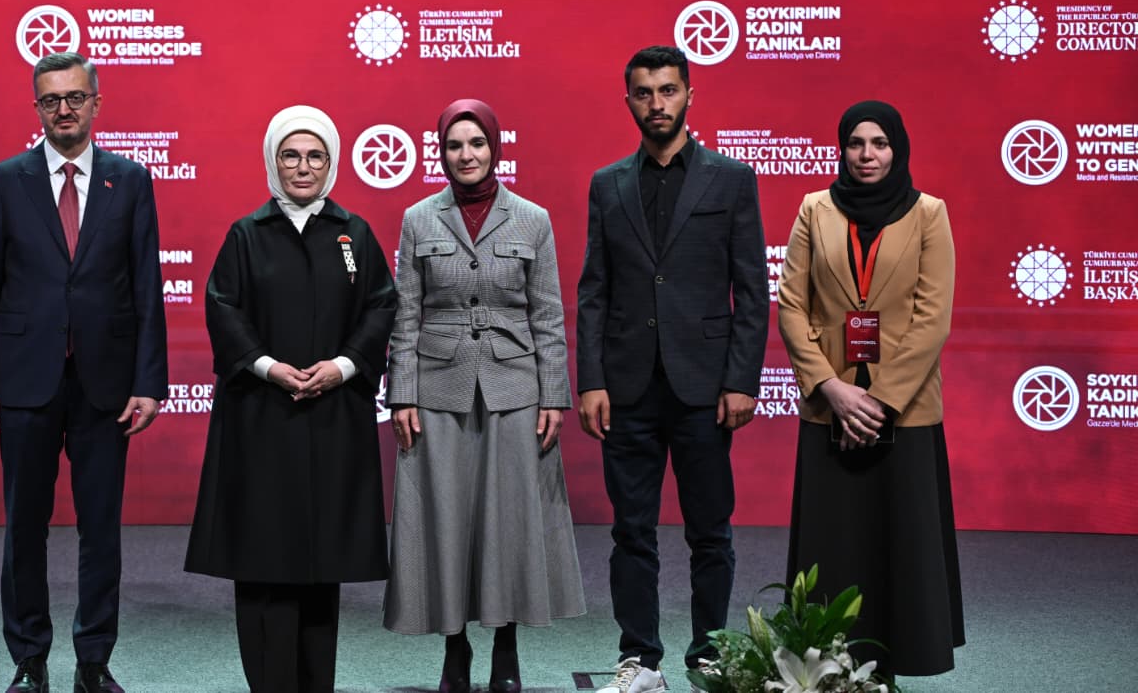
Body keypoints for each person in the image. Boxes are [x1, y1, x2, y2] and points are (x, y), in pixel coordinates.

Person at [0, 52, 168, 693]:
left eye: (75, 97)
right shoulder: (5, 181)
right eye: (51, 99)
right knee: (23, 527)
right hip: (25, 380)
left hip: (105, 385)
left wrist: (149, 382)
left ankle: (93, 660)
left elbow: (147, 286)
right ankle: (29, 659)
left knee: (100, 529)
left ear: (96, 104)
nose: (64, 109)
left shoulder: (129, 181)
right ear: (36, 108)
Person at [575, 45, 768, 693]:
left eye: (667, 90)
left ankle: (709, 654)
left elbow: (752, 290)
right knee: (631, 531)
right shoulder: (608, 184)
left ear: (689, 94)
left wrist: (741, 381)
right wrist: (591, 379)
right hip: (627, 386)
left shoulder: (732, 179)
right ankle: (640, 660)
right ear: (628, 101)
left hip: (704, 387)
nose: (656, 104)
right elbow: (594, 289)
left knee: (710, 531)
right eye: (644, 93)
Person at [184, 105, 397, 693]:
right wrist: (268, 366)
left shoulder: (354, 233)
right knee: (262, 561)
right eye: (291, 156)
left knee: (322, 565)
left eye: (315, 156)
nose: (303, 167)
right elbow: (223, 308)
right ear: (272, 161)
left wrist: (344, 366)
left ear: (331, 162)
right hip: (261, 419)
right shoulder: (246, 234)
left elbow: (381, 306)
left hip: (333, 418)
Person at [384, 99, 584, 693]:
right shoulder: (418, 218)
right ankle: (455, 647)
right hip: (438, 387)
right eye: (454, 145)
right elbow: (406, 316)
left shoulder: (533, 219)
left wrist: (554, 395)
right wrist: (401, 395)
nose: (466, 155)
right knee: (446, 518)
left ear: (495, 148)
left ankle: (506, 646)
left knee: (509, 520)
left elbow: (548, 314)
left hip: (515, 387)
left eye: (476, 143)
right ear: (440, 152)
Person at [777, 100, 963, 680]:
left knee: (901, 542)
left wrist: (878, 402)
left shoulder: (930, 214)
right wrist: (830, 388)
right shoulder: (814, 209)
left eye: (879, 143)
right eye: (856, 143)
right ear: (843, 149)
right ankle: (824, 667)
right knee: (832, 543)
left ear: (897, 149)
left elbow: (932, 319)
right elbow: (791, 305)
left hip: (903, 413)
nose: (867, 155)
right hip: (829, 408)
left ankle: (897, 661)